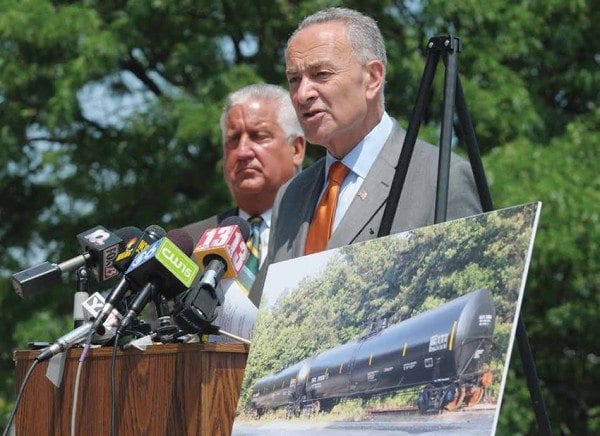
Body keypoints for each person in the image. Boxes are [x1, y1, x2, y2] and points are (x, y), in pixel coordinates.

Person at [252, 7, 481, 305]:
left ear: (372, 78)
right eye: (294, 79)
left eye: (320, 74)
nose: (302, 93)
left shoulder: (441, 177)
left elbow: (469, 309)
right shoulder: (292, 195)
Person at [183, 84, 305, 297]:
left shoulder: (323, 227)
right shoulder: (188, 244)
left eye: (259, 136)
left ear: (296, 149)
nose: (242, 152)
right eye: (233, 139)